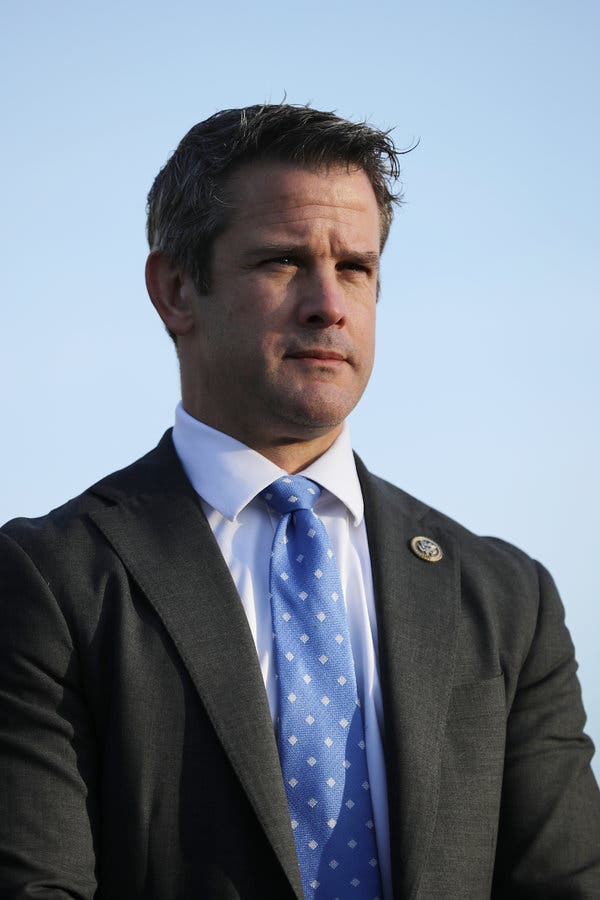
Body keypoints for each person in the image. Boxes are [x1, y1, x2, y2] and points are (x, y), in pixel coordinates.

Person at [1, 104, 599, 900]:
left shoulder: (506, 598)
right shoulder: (49, 580)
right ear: (175, 289)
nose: (329, 304)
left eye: (355, 267)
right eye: (284, 261)